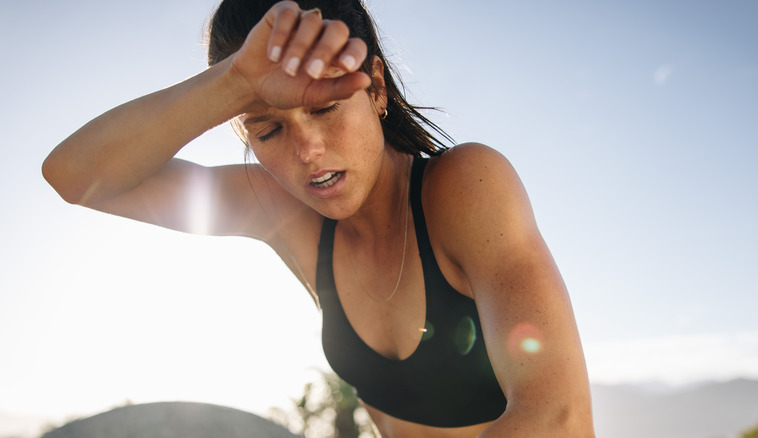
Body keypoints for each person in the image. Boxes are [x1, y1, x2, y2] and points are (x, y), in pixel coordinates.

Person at [42, 0, 595, 436]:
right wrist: (235, 84)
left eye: (325, 108)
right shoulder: (282, 212)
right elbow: (74, 175)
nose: (307, 150)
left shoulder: (464, 187)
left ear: (375, 87)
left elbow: (559, 422)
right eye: (268, 129)